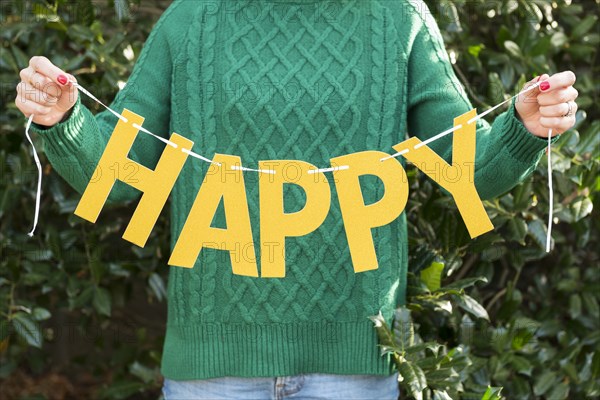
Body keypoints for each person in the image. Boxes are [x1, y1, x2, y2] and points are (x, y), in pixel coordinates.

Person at [15, 1, 578, 399]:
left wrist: (523, 128)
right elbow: (116, 171)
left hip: (351, 369)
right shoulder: (191, 19)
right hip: (213, 371)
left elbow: (469, 172)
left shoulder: (397, 19)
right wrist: (61, 118)